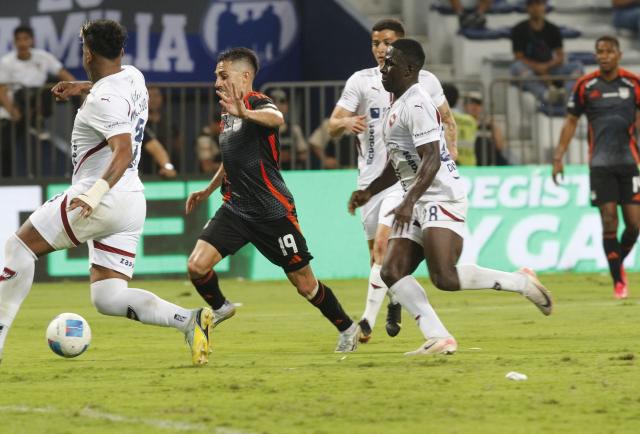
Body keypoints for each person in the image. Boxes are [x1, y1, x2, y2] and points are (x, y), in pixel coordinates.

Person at [0, 20, 214, 367]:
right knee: (108, 297)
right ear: (121, 51)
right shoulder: (133, 75)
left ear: (87, 54)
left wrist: (94, 194)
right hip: (131, 201)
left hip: (101, 195)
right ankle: (189, 320)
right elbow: (109, 89)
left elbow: (122, 151)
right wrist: (80, 87)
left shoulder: (102, 100)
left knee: (19, 247)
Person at [349, 39, 554, 355]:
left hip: (440, 196)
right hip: (416, 197)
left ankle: (521, 282)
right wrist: (369, 190)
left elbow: (431, 158)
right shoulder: (396, 103)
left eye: (390, 63)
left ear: (409, 69)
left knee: (444, 276)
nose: (383, 68)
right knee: (391, 271)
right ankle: (438, 337)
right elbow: (399, 161)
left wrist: (407, 202)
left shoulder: (417, 104)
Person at [184, 48, 361, 353]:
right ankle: (222, 307)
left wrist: (246, 113)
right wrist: (209, 190)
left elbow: (276, 117)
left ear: (245, 76)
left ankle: (347, 327)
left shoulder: (255, 102)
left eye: (223, 76)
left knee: (305, 285)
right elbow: (231, 157)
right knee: (197, 266)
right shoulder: (228, 112)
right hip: (236, 208)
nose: (216, 83)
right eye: (216, 76)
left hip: (272, 212)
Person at [328, 19, 458, 343]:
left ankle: (365, 323)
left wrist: (449, 155)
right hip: (371, 179)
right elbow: (332, 125)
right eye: (375, 43)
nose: (380, 49)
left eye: (387, 43)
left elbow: (447, 119)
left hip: (406, 180)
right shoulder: (361, 81)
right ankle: (394, 299)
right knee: (379, 258)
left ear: (400, 44)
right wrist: (346, 122)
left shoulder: (424, 81)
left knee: (383, 248)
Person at [552, 36, 640, 299]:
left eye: (609, 51)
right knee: (609, 219)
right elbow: (570, 121)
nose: (604, 56)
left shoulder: (633, 83)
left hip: (629, 162)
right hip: (600, 164)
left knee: (634, 225)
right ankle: (618, 281)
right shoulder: (585, 85)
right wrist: (558, 157)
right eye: (599, 51)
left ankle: (616, 261)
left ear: (619, 55)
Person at [0, 25, 76, 177]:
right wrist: (13, 112)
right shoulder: (6, 62)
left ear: (32, 40)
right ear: (14, 42)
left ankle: (38, 120)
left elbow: (64, 74)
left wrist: (77, 88)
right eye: (18, 40)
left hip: (39, 104)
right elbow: (2, 90)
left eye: (25, 39)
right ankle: (6, 181)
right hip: (15, 110)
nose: (22, 43)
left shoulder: (43, 57)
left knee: (47, 89)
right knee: (6, 147)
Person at [510, 0, 582, 104]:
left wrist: (546, 66)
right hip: (529, 70)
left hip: (549, 69)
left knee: (577, 66)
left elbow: (560, 56)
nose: (535, 8)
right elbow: (518, 57)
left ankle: (566, 94)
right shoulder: (519, 29)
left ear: (544, 6)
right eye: (532, 5)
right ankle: (545, 94)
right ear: (527, 8)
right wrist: (538, 67)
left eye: (539, 4)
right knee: (516, 67)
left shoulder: (553, 29)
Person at [140, 86, 178, 178]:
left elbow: (177, 145)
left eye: (156, 96)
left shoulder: (168, 122)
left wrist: (169, 167)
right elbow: (154, 147)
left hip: (168, 173)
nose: (153, 100)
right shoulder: (139, 122)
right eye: (149, 96)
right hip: (145, 174)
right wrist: (167, 166)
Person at [462, 91, 508, 166]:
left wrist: (493, 126)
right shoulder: (458, 124)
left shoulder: (488, 125)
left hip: (487, 163)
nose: (474, 106)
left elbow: (500, 146)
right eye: (471, 102)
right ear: (464, 106)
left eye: (478, 103)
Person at [268, 88, 308, 169]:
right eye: (274, 101)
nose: (278, 105)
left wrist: (290, 156)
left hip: (291, 173)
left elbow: (304, 155)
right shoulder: (262, 129)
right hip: (270, 173)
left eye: (282, 101)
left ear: (287, 106)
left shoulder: (295, 129)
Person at [442, 83, 477, 166]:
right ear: (457, 99)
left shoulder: (441, 120)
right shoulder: (470, 120)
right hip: (469, 166)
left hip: (449, 166)